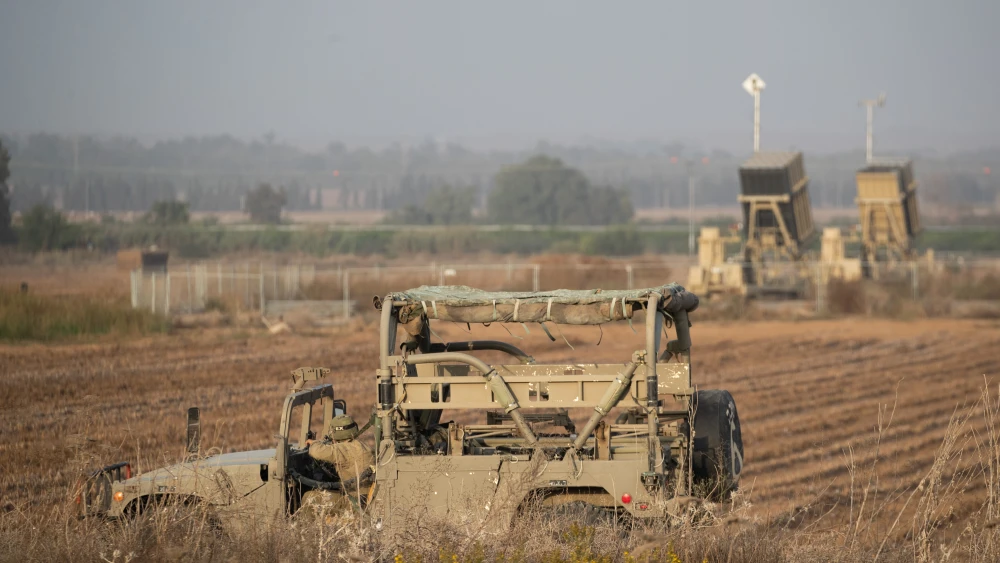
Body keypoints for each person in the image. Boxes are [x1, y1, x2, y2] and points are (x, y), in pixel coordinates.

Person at [305, 415, 373, 484]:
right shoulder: (360, 445)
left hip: (356, 489)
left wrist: (313, 443)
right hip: (366, 487)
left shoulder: (343, 448)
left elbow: (316, 451)